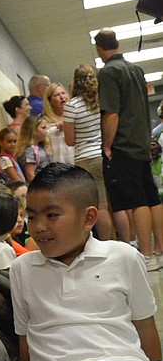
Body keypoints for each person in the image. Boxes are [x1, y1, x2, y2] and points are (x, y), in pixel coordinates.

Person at [12, 164, 163, 361]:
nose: (38, 226)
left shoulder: (123, 257)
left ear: (89, 217)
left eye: (51, 215)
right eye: (31, 216)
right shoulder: (22, 269)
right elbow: (25, 340)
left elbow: (146, 329)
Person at [95, 28, 163, 269]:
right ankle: (159, 249)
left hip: (124, 144)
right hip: (142, 141)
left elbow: (112, 113)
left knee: (137, 201)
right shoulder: (136, 69)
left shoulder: (109, 72)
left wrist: (107, 145)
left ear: (98, 48)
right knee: (152, 197)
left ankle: (145, 254)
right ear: (118, 43)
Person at [63, 63, 112, 241]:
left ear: (75, 83)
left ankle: (107, 244)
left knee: (101, 206)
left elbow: (69, 141)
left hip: (85, 159)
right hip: (106, 154)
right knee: (117, 204)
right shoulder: (103, 101)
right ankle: (126, 241)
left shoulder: (72, 106)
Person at [43, 83, 75, 165]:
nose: (62, 97)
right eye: (57, 95)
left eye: (63, 93)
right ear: (49, 101)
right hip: (56, 164)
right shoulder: (44, 121)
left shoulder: (75, 115)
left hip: (76, 161)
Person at [18, 114, 51, 182]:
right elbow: (30, 175)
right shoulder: (29, 150)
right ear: (33, 130)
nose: (46, 131)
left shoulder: (41, 147)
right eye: (43, 128)